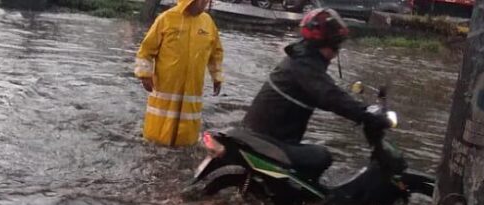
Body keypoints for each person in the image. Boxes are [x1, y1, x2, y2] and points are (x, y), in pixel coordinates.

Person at [242, 8, 393, 181]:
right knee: (321, 156)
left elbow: (330, 96)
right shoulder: (305, 67)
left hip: (269, 135)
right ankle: (304, 203)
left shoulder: (303, 60)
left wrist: (360, 109)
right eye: (335, 46)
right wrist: (364, 114)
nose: (336, 53)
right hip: (268, 139)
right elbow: (329, 96)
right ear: (321, 45)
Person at [135, 0, 224, 147]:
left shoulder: (208, 23)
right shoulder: (166, 19)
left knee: (187, 142)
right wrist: (144, 74)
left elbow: (216, 53)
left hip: (192, 91)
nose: (203, 5)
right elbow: (146, 50)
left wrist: (217, 77)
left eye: (206, 1)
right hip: (166, 88)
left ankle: (185, 145)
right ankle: (155, 145)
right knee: (155, 141)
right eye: (200, 1)